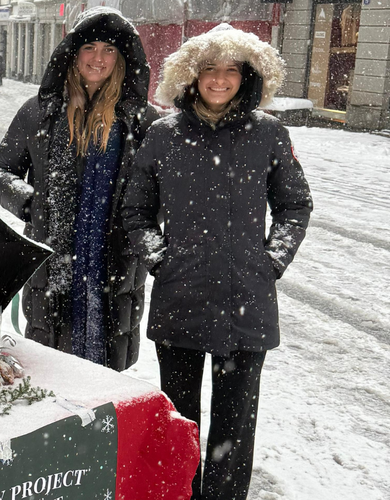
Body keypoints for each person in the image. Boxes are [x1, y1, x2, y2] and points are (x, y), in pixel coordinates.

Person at [121, 24, 312, 500]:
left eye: (231, 70)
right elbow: (136, 210)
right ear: (191, 75)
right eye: (210, 69)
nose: (220, 80)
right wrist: (159, 258)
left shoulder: (268, 133)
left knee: (234, 430)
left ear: (247, 76)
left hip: (246, 302)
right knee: (179, 423)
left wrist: (271, 261)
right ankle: (180, 494)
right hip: (180, 297)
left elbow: (294, 205)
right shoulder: (163, 135)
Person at [0, 7, 157, 370]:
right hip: (53, 255)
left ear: (122, 59)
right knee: (52, 365)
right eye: (90, 48)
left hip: (114, 260)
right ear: (73, 53)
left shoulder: (142, 121)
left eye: (109, 50)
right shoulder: (39, 112)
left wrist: (138, 225)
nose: (98, 58)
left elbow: (159, 191)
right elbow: (2, 171)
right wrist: (32, 205)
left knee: (107, 372)